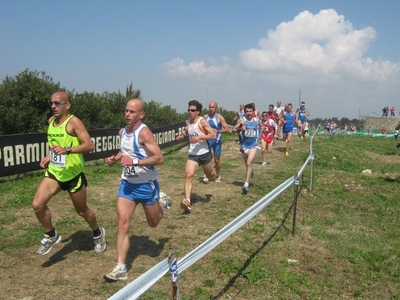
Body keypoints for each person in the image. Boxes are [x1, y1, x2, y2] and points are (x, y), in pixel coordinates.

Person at [104, 98, 171, 281]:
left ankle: (162, 203)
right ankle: (121, 268)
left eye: (132, 112)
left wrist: (134, 162)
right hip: (127, 185)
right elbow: (125, 151)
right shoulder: (122, 132)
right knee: (122, 223)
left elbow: (159, 158)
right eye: (126, 111)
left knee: (153, 223)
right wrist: (115, 159)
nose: (127, 114)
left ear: (141, 114)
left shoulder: (145, 133)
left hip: (145, 185)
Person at [32, 91, 106, 256]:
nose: (53, 106)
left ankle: (98, 233)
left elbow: (89, 146)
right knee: (37, 204)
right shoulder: (51, 121)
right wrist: (48, 157)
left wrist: (67, 150)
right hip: (55, 173)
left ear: (68, 105)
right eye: (51, 103)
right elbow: (55, 145)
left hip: (73, 175)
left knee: (82, 211)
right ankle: (51, 235)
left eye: (57, 103)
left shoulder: (74, 122)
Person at [176, 100, 217, 212]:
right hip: (193, 154)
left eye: (192, 110)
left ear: (198, 111)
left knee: (210, 176)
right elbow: (187, 132)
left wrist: (200, 137)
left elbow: (213, 136)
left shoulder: (202, 121)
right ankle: (187, 201)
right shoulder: (188, 122)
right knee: (189, 176)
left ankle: (212, 172)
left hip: (204, 154)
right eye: (189, 110)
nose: (190, 112)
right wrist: (182, 136)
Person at [233, 103, 261, 194]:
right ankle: (251, 170)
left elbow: (262, 126)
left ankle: (246, 184)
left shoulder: (257, 120)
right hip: (244, 146)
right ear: (244, 112)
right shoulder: (242, 120)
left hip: (253, 145)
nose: (249, 113)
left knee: (249, 163)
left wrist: (260, 134)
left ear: (253, 112)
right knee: (247, 164)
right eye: (247, 111)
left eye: (250, 111)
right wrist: (240, 128)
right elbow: (233, 130)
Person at [203, 101, 229, 183]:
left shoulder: (219, 117)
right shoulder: (205, 117)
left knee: (217, 160)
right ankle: (207, 174)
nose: (211, 109)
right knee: (206, 159)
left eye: (213, 107)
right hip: (208, 140)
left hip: (217, 141)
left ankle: (218, 174)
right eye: (210, 107)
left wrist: (218, 131)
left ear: (216, 108)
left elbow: (227, 129)